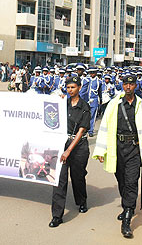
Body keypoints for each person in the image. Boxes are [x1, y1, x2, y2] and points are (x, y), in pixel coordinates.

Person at [92, 74, 142, 239]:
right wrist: (101, 150)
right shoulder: (114, 104)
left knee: (131, 181)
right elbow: (105, 127)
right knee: (121, 180)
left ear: (135, 86)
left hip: (134, 149)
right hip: (117, 148)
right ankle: (127, 205)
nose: (128, 87)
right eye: (126, 85)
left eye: (131, 85)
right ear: (122, 85)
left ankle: (127, 219)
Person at [50, 76, 91, 228]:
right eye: (68, 88)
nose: (70, 90)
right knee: (59, 180)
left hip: (78, 146)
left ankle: (81, 201)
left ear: (79, 88)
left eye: (73, 87)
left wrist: (68, 150)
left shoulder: (85, 107)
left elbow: (81, 131)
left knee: (77, 177)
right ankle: (57, 215)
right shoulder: (62, 104)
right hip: (62, 144)